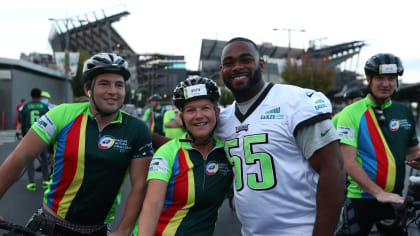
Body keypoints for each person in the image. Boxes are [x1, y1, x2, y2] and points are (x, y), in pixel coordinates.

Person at [0, 53, 154, 236]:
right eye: (104, 83)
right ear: (88, 88)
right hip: (49, 226)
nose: (113, 91)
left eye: (119, 85)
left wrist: (124, 230)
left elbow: (139, 186)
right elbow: (20, 158)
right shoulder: (62, 114)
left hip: (98, 230)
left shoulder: (137, 130)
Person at [217, 37, 345, 236]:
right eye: (229, 63)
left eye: (245, 60)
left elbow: (333, 169)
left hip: (300, 230)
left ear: (261, 64)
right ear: (221, 71)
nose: (237, 67)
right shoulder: (224, 119)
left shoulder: (294, 102)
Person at [336, 53, 420, 236]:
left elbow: (414, 151)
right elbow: (348, 162)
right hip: (360, 199)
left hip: (394, 198)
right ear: (368, 79)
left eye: (391, 78)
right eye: (380, 78)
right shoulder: (350, 113)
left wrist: (417, 159)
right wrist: (378, 193)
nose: (386, 84)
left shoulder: (404, 112)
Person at [137, 76, 233, 236]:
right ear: (181, 118)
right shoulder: (167, 152)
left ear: (216, 112)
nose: (198, 115)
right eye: (190, 110)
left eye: (205, 108)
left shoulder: (228, 151)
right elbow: (153, 203)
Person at [19, 88, 50, 191]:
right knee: (44, 159)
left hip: (29, 136)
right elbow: (49, 121)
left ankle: (32, 183)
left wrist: (24, 135)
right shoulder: (44, 106)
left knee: (30, 160)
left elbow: (22, 122)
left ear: (31, 96)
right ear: (40, 96)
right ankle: (46, 181)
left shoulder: (26, 106)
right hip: (42, 136)